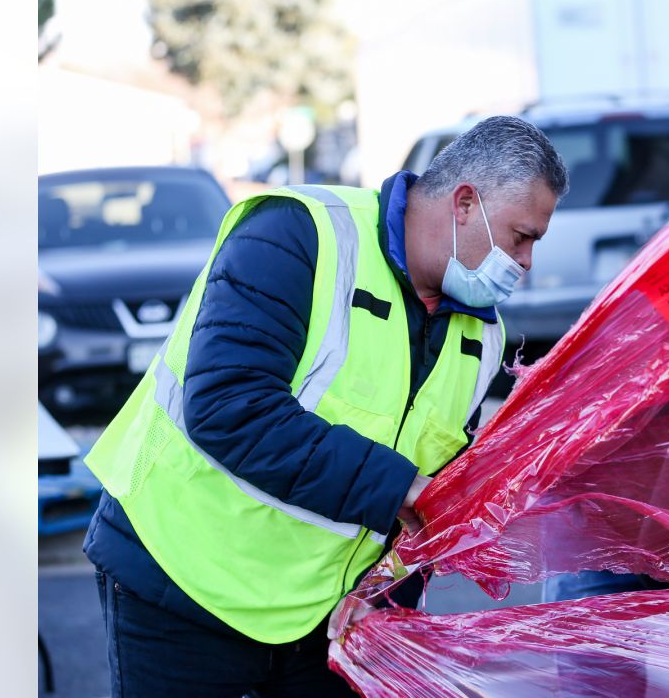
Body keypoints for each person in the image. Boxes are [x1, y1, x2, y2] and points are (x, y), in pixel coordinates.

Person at [82, 115, 568, 696]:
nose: (527, 263)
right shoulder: (299, 234)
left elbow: (428, 502)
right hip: (183, 584)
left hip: (321, 618)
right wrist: (401, 487)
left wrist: (384, 596)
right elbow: (228, 406)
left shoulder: (481, 335)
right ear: (465, 204)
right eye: (522, 237)